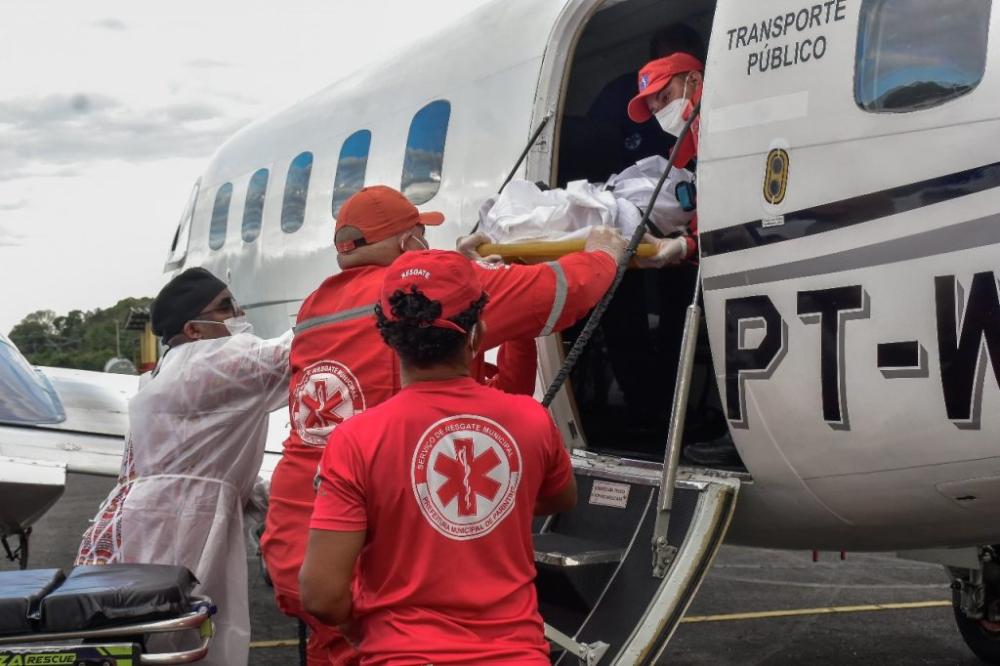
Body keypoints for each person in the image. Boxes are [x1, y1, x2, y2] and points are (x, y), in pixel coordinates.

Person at [260, 185, 625, 664]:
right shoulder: (409, 300)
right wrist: (604, 254)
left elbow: (430, 308)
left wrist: (455, 270)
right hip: (366, 565)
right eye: (421, 237)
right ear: (410, 244)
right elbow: (563, 290)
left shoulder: (314, 309)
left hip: (300, 543)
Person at [300, 250, 576, 664]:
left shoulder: (356, 439)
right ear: (477, 334)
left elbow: (321, 593)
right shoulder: (530, 420)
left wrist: (355, 625)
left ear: (387, 338)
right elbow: (560, 498)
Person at [76, 267, 292, 666]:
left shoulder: (168, 369)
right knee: (186, 640)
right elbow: (301, 350)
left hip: (150, 517)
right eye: (226, 306)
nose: (239, 311)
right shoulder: (213, 359)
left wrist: (269, 493)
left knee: (155, 636)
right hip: (183, 521)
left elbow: (200, 459)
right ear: (194, 329)